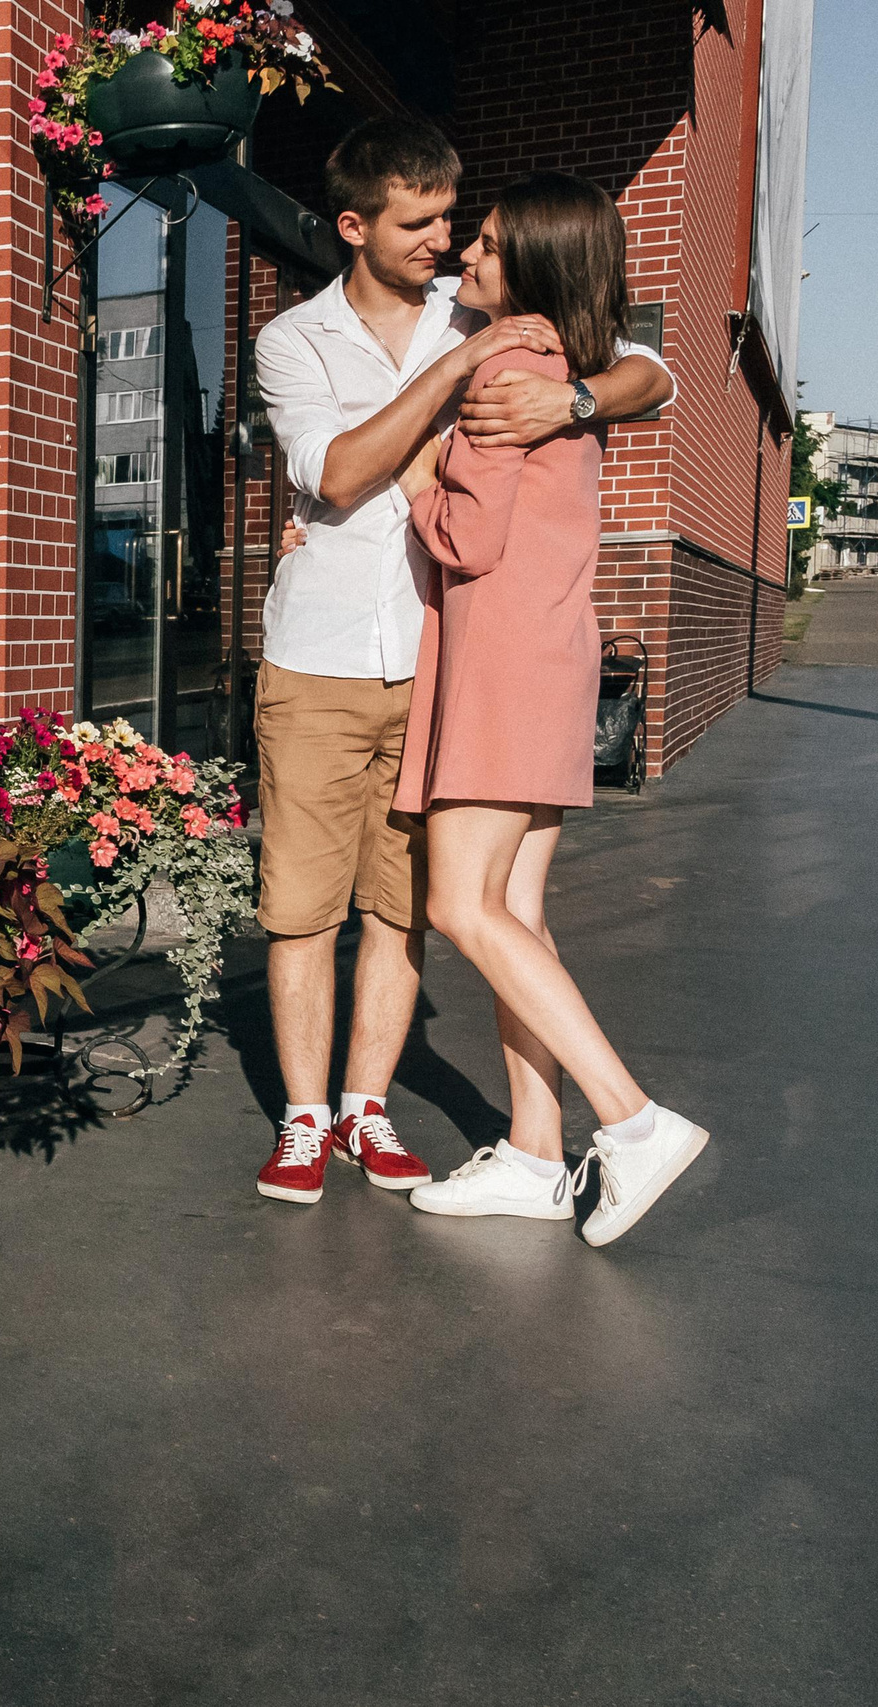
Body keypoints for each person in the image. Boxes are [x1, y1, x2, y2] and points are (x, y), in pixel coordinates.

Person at [247, 115, 674, 1208]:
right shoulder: (294, 340)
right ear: (354, 227)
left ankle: (372, 1110)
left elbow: (650, 372)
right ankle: (306, 1121)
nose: (444, 240)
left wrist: (571, 395)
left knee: (415, 910)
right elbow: (339, 473)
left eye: (454, 218)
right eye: (419, 221)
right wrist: (458, 380)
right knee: (304, 904)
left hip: (448, 658)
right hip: (326, 656)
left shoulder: (481, 309)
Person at [389, 174, 708, 1243]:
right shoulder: (568, 367)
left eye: (482, 245)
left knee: (458, 909)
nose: (462, 257)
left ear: (527, 266)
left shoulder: (503, 373)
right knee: (514, 917)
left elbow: (466, 538)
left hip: (498, 667)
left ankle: (630, 1120)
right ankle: (533, 1153)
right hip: (551, 660)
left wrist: (417, 476)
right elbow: (647, 377)